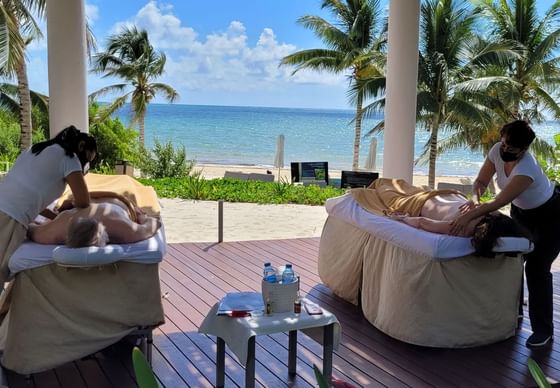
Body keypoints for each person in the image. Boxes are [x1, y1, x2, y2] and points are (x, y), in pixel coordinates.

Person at [450, 120, 560, 349]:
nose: (506, 150)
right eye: (504, 144)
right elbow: (481, 181)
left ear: (524, 149)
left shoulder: (526, 169)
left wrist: (468, 217)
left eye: (512, 149)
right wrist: (476, 196)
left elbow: (500, 201)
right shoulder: (497, 151)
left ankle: (543, 331)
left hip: (551, 216)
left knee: (537, 269)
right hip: (521, 213)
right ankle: (515, 313)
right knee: (513, 260)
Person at [0, 126, 96, 282]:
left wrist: (55, 217)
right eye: (87, 160)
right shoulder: (69, 158)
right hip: (9, 217)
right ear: (81, 147)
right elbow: (84, 201)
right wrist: (68, 204)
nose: (85, 166)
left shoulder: (36, 149)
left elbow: (30, 195)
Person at [27, 199, 161, 246]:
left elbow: (30, 227)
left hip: (114, 202)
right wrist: (143, 218)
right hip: (109, 204)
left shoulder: (51, 232)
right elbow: (154, 223)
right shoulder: (55, 231)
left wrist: (140, 216)